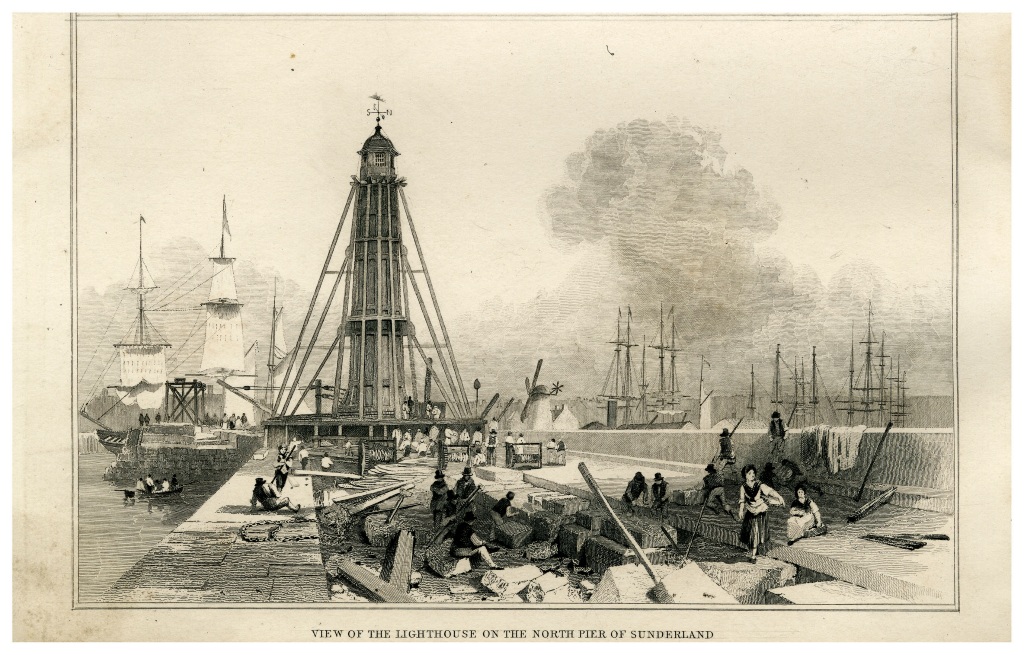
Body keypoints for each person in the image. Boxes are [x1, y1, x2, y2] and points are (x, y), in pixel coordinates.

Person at [738, 464, 785, 562]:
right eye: (749, 473)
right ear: (745, 475)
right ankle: (752, 551)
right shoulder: (743, 487)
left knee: (755, 533)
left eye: (753, 473)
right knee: (749, 533)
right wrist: (741, 509)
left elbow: (770, 491)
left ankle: (753, 556)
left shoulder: (759, 484)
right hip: (750, 511)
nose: (752, 475)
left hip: (759, 511)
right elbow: (742, 500)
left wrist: (779, 497)